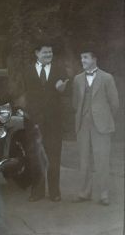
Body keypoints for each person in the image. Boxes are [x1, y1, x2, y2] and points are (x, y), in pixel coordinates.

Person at [22, 43, 69, 202]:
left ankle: (55, 192)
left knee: (54, 156)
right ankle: (37, 192)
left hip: (54, 121)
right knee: (35, 158)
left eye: (50, 52)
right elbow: (18, 91)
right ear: (36, 53)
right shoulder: (27, 70)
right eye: (45, 52)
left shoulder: (59, 70)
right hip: (33, 121)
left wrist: (63, 88)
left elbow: (68, 90)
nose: (49, 54)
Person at [72, 47, 119, 206]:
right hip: (83, 124)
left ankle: (104, 194)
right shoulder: (77, 79)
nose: (82, 61)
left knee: (102, 160)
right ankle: (84, 192)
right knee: (84, 160)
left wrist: (104, 118)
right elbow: (75, 103)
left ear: (94, 59)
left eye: (85, 57)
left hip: (102, 125)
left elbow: (114, 103)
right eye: (81, 58)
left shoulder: (107, 78)